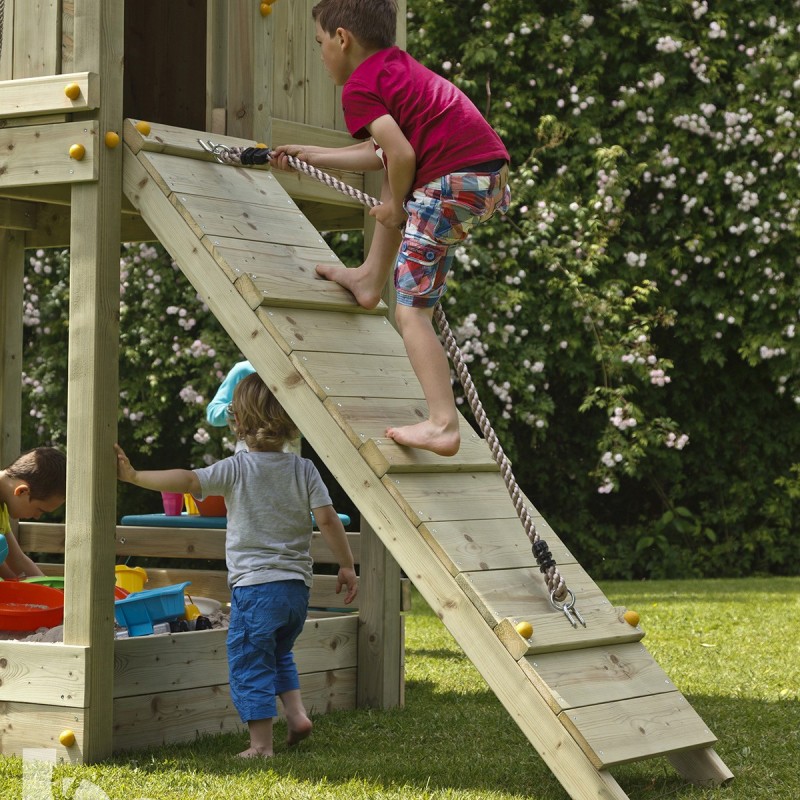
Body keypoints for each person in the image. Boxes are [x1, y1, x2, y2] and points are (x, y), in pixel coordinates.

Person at [271, 0, 511, 458]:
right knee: (392, 180)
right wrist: (312, 154)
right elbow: (384, 153)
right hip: (482, 176)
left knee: (411, 312)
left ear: (343, 39)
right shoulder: (394, 67)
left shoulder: (359, 86)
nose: (320, 56)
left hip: (451, 181)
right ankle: (369, 277)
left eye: (320, 44)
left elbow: (401, 157)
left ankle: (443, 423)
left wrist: (395, 206)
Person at [115, 373, 358, 758]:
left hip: (256, 589)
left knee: (249, 659)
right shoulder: (303, 469)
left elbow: (187, 480)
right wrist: (346, 565)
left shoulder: (236, 468)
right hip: (296, 590)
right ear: (292, 424)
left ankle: (261, 746)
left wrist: (133, 476)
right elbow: (327, 519)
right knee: (279, 653)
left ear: (238, 423)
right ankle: (296, 716)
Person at [0, 447, 67, 580]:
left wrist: (48, 590)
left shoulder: (3, 507)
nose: (37, 516)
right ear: (22, 491)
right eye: (40, 510)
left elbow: (17, 560)